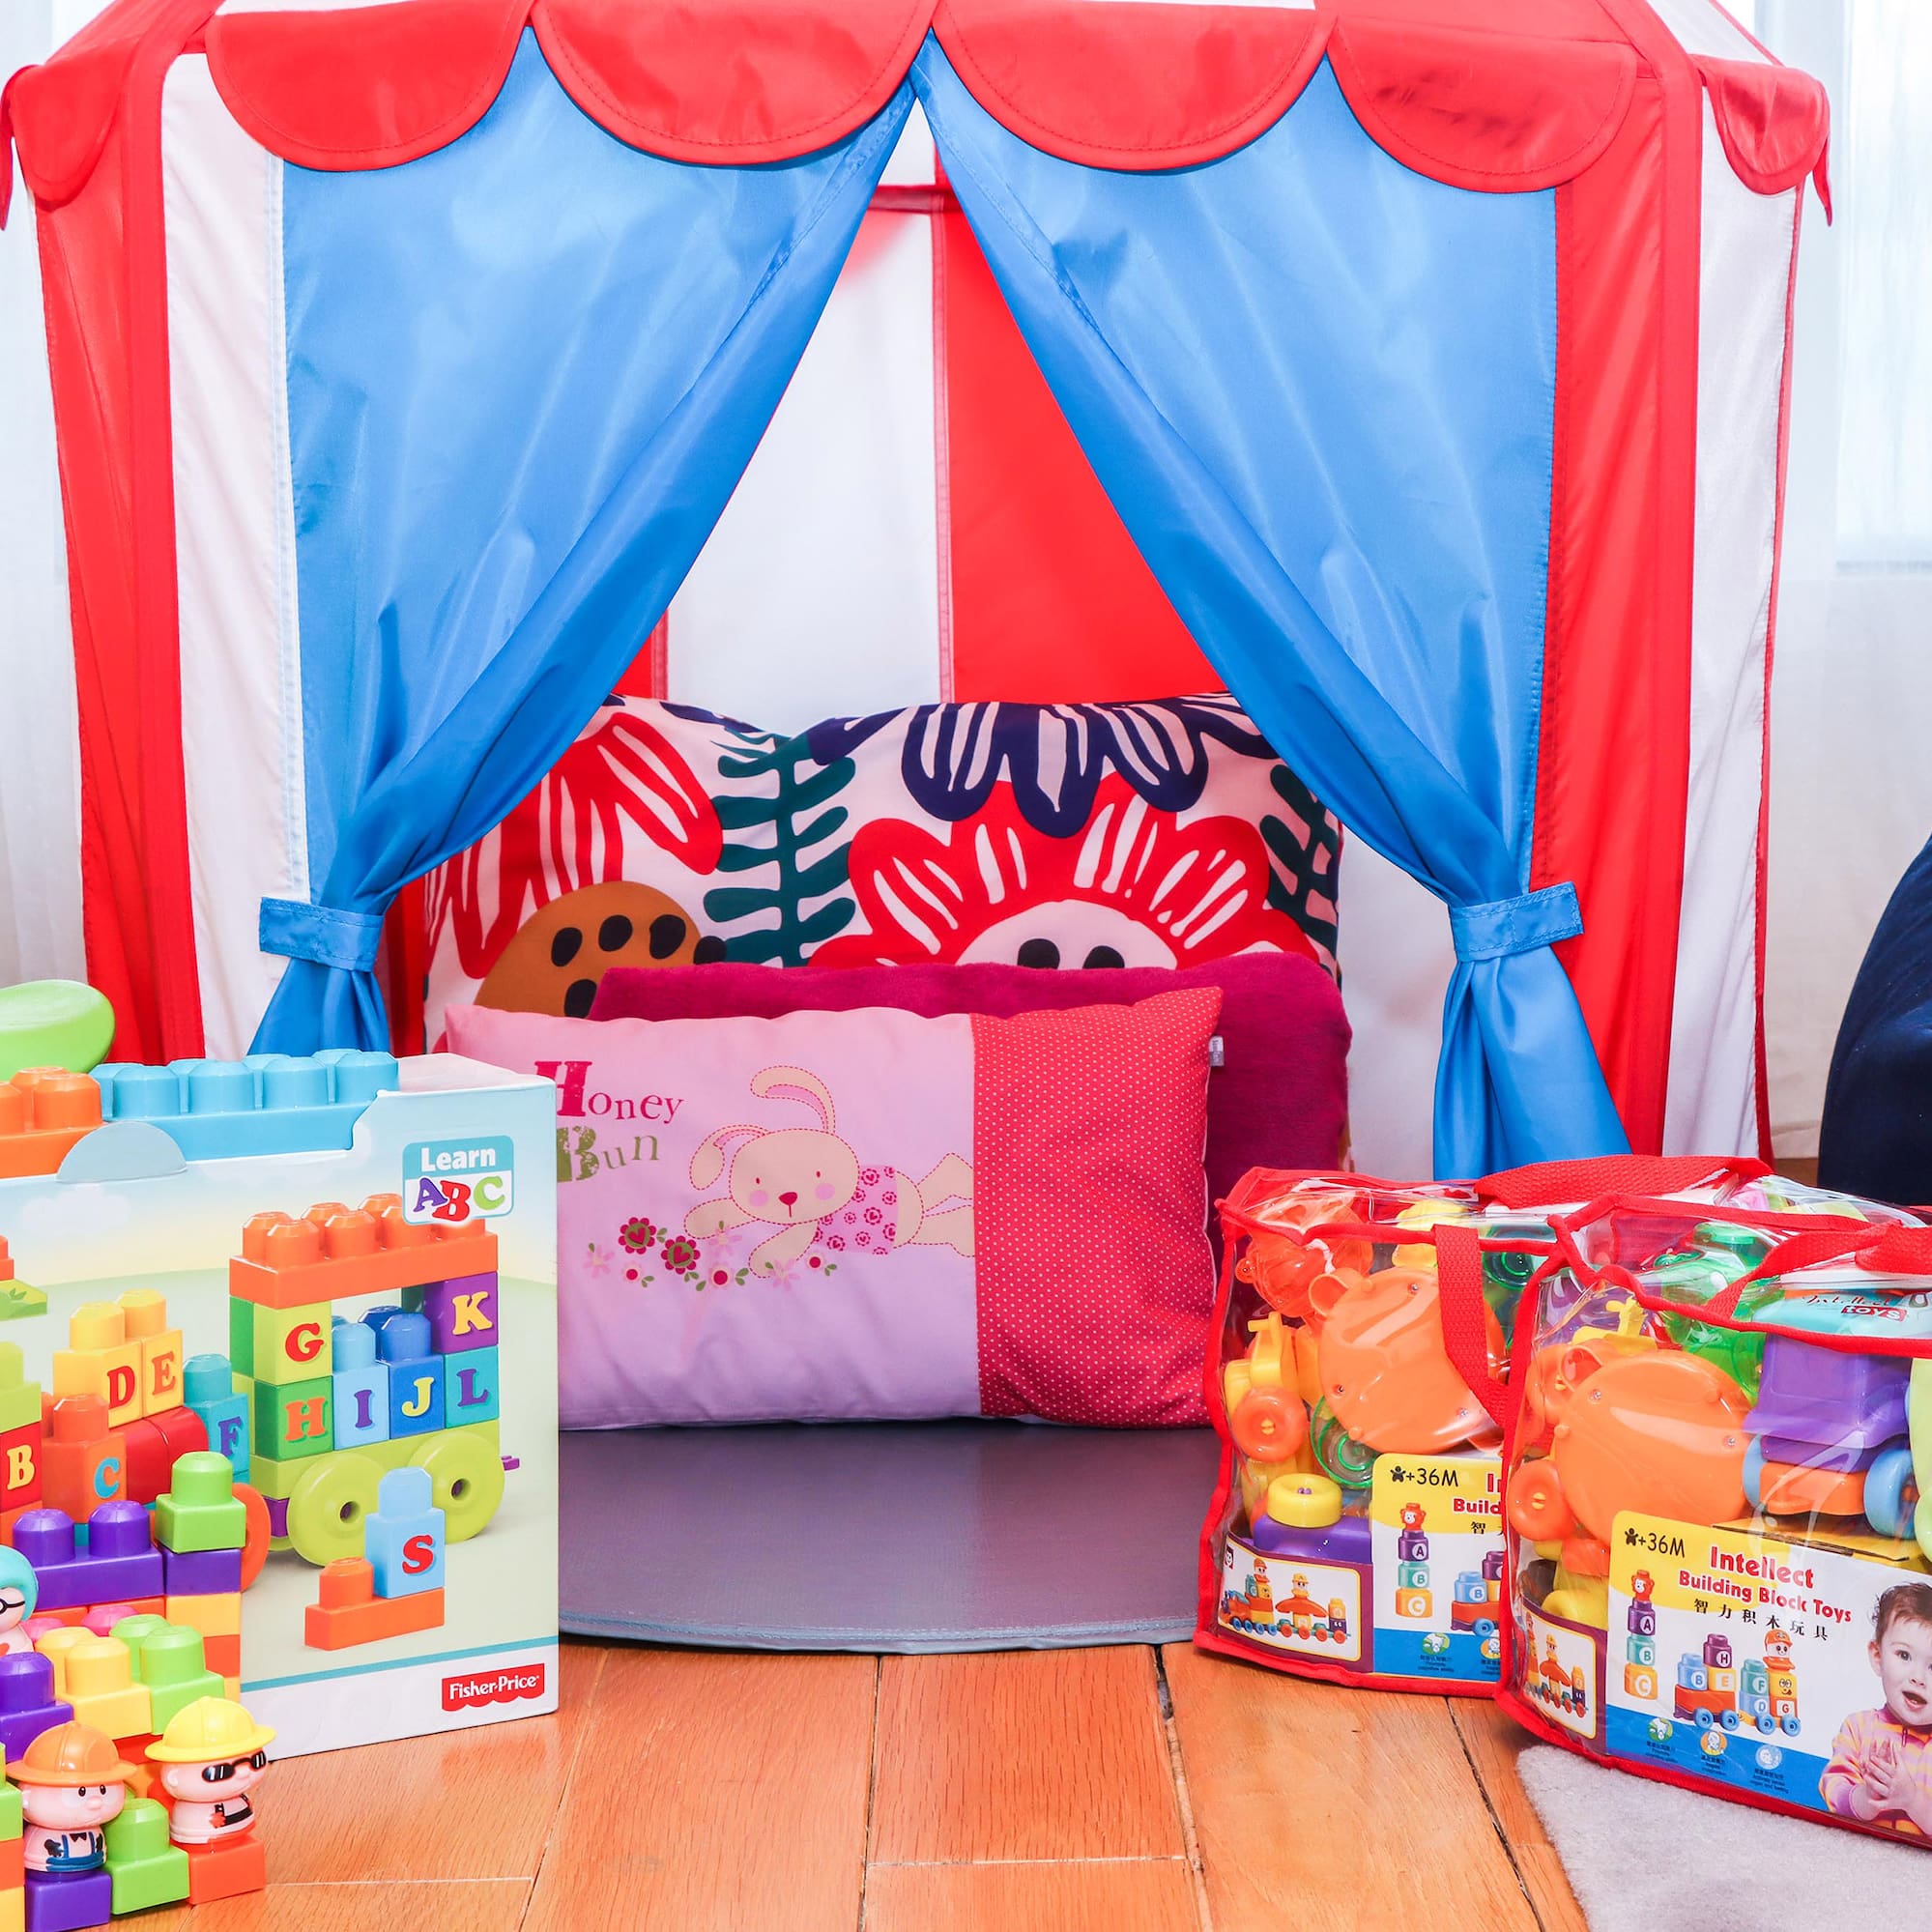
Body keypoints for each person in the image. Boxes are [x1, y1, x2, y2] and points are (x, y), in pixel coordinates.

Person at [1822, 1581, 1932, 1833]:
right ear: (1878, 1657)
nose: (1918, 1677)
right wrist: (1865, 1798)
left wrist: (1913, 1800)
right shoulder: (1858, 1728)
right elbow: (1834, 1789)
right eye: (1904, 1656)